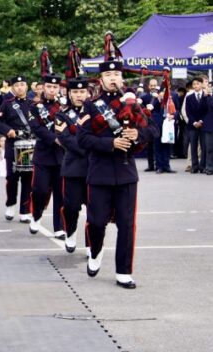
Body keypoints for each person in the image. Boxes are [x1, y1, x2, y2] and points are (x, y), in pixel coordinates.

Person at [77, 60, 158, 289]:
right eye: (108, 74)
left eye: (117, 74)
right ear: (100, 79)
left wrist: (137, 134)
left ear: (122, 78)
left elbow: (153, 129)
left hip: (126, 173)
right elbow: (82, 139)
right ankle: (95, 251)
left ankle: (124, 272)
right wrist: (111, 142)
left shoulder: (133, 103)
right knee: (96, 222)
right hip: (99, 172)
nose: (113, 78)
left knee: (127, 224)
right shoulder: (91, 106)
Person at [0, 75, 34, 223]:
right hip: (13, 145)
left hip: (30, 145)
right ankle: (10, 204)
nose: (20, 87)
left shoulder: (33, 104)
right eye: (17, 85)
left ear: (27, 87)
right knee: (12, 178)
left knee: (28, 179)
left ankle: (25, 211)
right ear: (12, 88)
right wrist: (8, 130)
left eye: (22, 84)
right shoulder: (7, 104)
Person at [28, 74, 65, 238]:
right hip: (43, 154)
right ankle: (36, 215)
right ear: (43, 87)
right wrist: (54, 138)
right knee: (40, 190)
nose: (52, 90)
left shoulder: (64, 106)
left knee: (61, 193)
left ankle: (59, 227)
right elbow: (36, 127)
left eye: (55, 87)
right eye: (49, 86)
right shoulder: (35, 106)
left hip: (62, 156)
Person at [55, 77, 90, 254]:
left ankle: (92, 244)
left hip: (94, 169)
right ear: (69, 94)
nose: (79, 95)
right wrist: (92, 148)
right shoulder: (62, 115)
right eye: (75, 92)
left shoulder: (95, 113)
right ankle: (70, 232)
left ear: (88, 93)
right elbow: (65, 139)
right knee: (71, 207)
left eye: (82, 91)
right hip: (74, 168)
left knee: (95, 210)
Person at [184, 77, 207, 173]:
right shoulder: (189, 97)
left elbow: (207, 111)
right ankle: (194, 166)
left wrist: (201, 121)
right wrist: (194, 122)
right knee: (193, 146)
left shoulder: (206, 96)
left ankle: (202, 166)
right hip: (192, 125)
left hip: (204, 124)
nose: (196, 86)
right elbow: (188, 112)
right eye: (194, 84)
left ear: (201, 85)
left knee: (203, 146)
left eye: (197, 84)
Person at [141, 79, 160, 171]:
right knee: (149, 145)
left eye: (155, 85)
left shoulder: (160, 96)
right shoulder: (144, 97)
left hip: (157, 123)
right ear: (148, 86)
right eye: (151, 85)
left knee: (157, 145)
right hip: (147, 123)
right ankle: (150, 165)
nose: (153, 87)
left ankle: (158, 165)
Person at [202, 82, 213, 175]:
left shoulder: (210, 97)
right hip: (209, 126)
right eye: (209, 86)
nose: (209, 88)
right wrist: (206, 96)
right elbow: (202, 108)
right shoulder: (205, 97)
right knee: (209, 148)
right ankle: (209, 167)